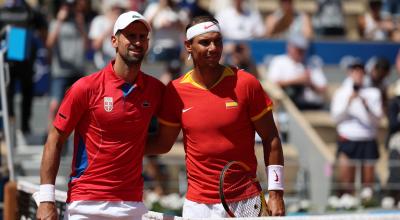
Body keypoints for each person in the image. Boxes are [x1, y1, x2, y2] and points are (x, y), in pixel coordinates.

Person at [145, 15, 285, 218]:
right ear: (188, 46)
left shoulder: (246, 84)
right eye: (205, 42)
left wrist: (276, 193)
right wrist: (118, 148)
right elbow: (163, 143)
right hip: (196, 205)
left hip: (245, 200)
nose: (213, 48)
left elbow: (271, 138)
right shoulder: (175, 91)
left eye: (217, 41)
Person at [35, 11, 165, 219]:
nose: (137, 42)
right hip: (86, 204)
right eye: (130, 36)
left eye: (142, 37)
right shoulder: (86, 87)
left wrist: (130, 147)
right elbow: (54, 140)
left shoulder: (156, 89)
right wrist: (46, 199)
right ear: (114, 41)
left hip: (132, 205)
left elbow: (165, 142)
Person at [330, 58, 383, 198]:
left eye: (360, 70)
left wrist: (366, 105)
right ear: (349, 72)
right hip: (348, 139)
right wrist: (348, 102)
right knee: (347, 183)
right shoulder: (341, 93)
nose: (358, 73)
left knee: (368, 184)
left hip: (368, 139)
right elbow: (335, 118)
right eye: (354, 70)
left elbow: (377, 120)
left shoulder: (373, 93)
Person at [0, 0, 48, 134]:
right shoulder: (2, 10)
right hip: (6, 58)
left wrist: (43, 45)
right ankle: (9, 126)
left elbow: (43, 28)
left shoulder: (28, 9)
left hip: (26, 58)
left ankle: (25, 127)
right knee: (7, 91)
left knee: (27, 92)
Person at [45, 0, 92, 133]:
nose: (69, 9)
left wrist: (81, 25)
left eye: (72, 6)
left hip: (78, 70)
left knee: (85, 107)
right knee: (55, 105)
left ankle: (82, 136)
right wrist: (59, 21)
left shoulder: (80, 23)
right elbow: (49, 43)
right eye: (66, 6)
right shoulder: (55, 23)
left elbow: (87, 46)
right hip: (60, 71)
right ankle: (51, 136)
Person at [266, 34, 327, 110]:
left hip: (314, 106)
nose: (301, 52)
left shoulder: (312, 63)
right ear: (289, 47)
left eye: (303, 50)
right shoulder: (279, 61)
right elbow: (271, 85)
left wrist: (310, 83)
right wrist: (296, 81)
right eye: (298, 49)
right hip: (289, 107)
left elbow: (323, 89)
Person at [89, 0, 129, 70]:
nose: (118, 11)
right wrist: (112, 26)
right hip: (103, 65)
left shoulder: (124, 23)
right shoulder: (98, 21)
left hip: (121, 67)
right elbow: (95, 45)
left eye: (121, 9)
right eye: (115, 8)